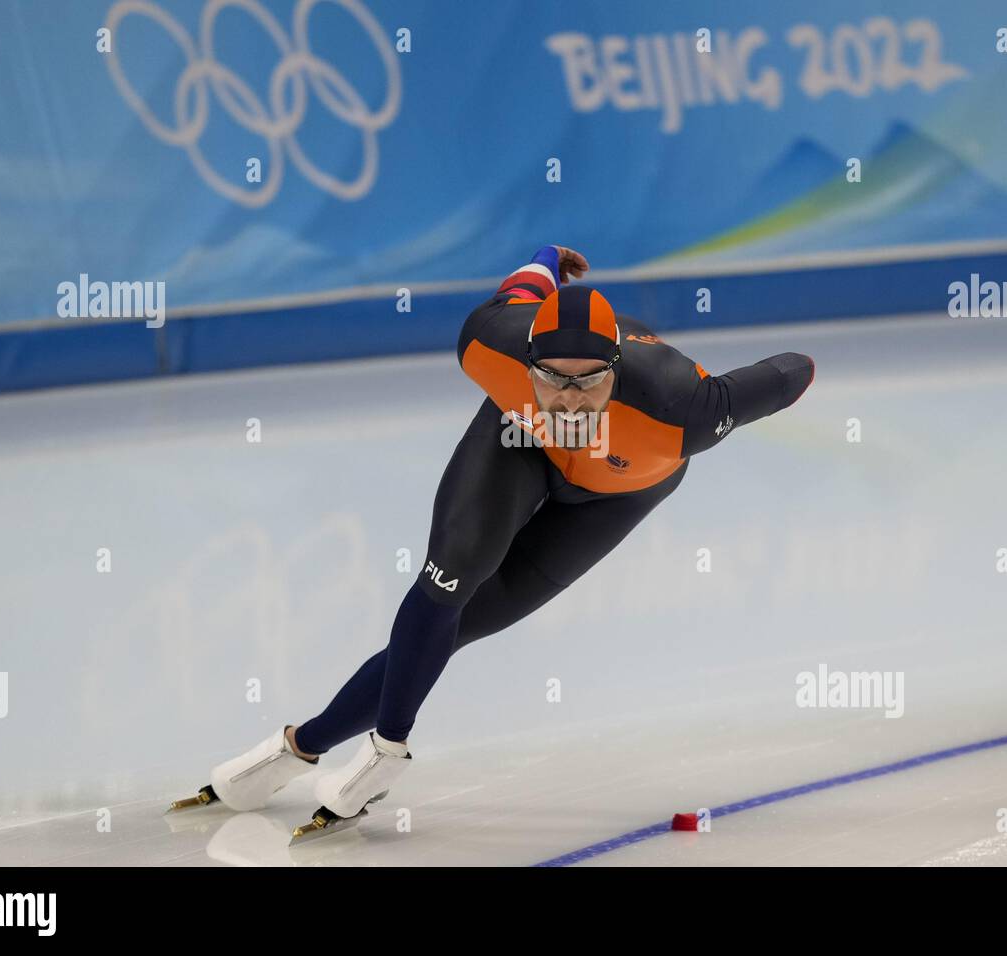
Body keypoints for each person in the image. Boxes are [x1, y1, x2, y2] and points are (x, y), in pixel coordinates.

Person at [169, 244, 815, 842]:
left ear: (617, 370)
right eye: (553, 379)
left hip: (617, 492)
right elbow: (524, 284)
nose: (568, 402)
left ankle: (298, 745)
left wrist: (806, 366)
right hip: (518, 444)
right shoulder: (488, 344)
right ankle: (383, 751)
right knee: (451, 574)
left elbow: (789, 373)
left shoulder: (684, 408)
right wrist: (546, 259)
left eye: (589, 382)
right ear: (524, 361)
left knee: (465, 624)